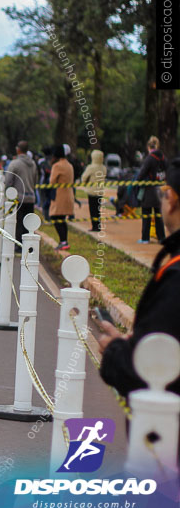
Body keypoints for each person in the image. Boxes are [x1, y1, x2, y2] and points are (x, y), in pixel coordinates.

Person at [98, 157, 180, 462]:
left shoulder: (174, 276)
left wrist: (115, 351)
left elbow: (149, 369)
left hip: (164, 454)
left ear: (170, 198)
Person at [4, 141, 38, 249]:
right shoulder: (33, 163)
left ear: (18, 149)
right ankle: (28, 246)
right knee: (28, 223)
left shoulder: (14, 163)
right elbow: (35, 179)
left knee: (18, 222)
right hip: (30, 197)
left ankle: (18, 246)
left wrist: (7, 193)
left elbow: (8, 180)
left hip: (18, 197)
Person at [138, 136, 167, 244]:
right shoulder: (163, 157)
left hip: (149, 191)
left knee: (146, 214)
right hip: (161, 191)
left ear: (148, 147)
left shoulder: (150, 158)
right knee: (159, 215)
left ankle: (145, 238)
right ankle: (161, 237)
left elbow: (142, 173)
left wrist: (138, 181)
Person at [49, 144, 75, 251]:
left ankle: (63, 241)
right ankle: (63, 241)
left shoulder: (57, 166)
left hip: (59, 195)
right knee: (62, 219)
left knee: (55, 217)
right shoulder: (69, 165)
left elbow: (52, 181)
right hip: (69, 194)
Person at [80, 149, 106, 232]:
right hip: (100, 190)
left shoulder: (91, 167)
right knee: (98, 209)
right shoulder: (103, 168)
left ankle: (94, 226)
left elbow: (84, 177)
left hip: (91, 191)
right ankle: (98, 225)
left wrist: (84, 183)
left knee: (92, 209)